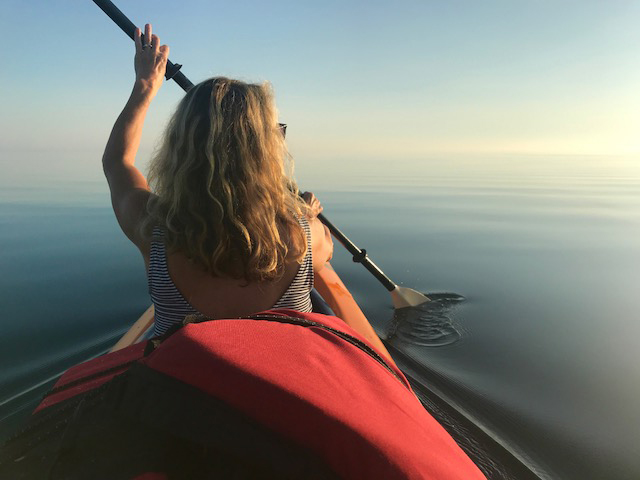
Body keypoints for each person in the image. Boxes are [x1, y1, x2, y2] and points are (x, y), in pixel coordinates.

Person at [102, 24, 333, 334]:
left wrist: (145, 85)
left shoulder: (152, 229)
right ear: (265, 150)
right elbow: (324, 253)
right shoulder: (304, 238)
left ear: (180, 148)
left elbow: (116, 162)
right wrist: (305, 213)